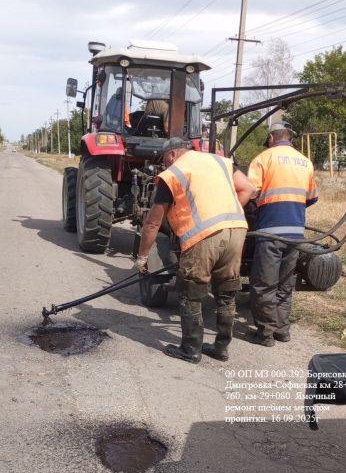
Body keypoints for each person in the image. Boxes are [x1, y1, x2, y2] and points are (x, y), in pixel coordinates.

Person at [134, 137, 257, 363]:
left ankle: (190, 349)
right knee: (227, 290)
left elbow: (152, 224)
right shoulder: (221, 161)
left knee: (190, 290)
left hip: (204, 236)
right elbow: (248, 188)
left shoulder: (173, 174)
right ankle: (221, 347)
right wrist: (225, 218)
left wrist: (142, 259)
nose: (164, 165)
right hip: (237, 230)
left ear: (172, 154)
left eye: (164, 160)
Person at [247, 122, 318, 347]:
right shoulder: (305, 161)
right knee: (285, 284)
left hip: (270, 231)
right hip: (295, 233)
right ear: (289, 137)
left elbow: (249, 193)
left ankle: (265, 334)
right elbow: (311, 197)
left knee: (264, 284)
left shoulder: (263, 159)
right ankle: (282, 330)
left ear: (271, 138)